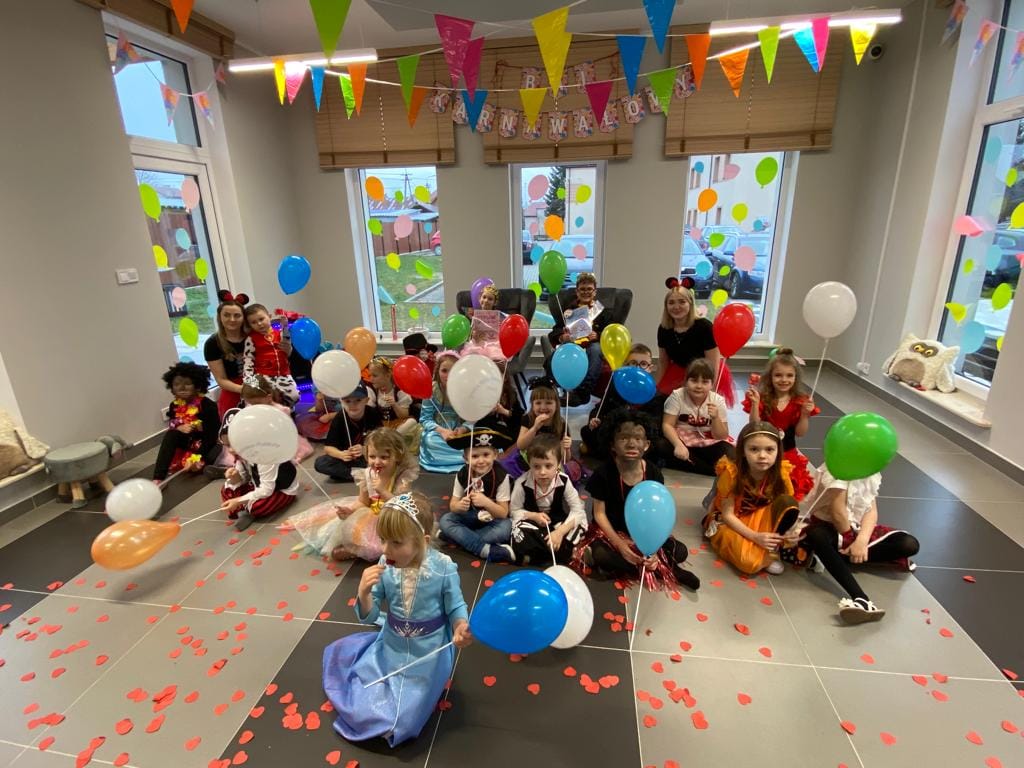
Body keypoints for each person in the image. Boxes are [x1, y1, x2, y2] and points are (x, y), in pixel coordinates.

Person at [322, 492, 471, 747]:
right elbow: (370, 614)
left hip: (429, 652)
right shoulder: (386, 564)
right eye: (383, 540)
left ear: (423, 542)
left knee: (403, 719)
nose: (385, 550)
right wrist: (364, 593)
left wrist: (460, 627)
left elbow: (455, 605)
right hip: (392, 646)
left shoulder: (443, 567)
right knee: (365, 691)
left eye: (396, 543)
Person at [573, 411, 700, 591]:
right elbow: (599, 514)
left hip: (643, 532)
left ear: (647, 445)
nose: (632, 443)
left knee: (680, 551)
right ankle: (664, 570)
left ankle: (645, 564)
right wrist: (620, 544)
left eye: (638, 439)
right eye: (624, 438)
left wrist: (653, 549)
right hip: (612, 533)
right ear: (612, 444)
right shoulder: (604, 473)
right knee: (602, 556)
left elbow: (656, 514)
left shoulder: (653, 473)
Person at [788, 466, 920, 624]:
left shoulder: (869, 470)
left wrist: (862, 541)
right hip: (830, 528)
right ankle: (861, 598)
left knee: (909, 544)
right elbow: (837, 513)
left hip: (855, 529)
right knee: (817, 535)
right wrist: (850, 540)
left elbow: (871, 511)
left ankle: (841, 558)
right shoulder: (836, 469)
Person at [291, 428, 419, 562]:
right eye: (372, 456)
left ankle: (363, 550)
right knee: (353, 531)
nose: (377, 462)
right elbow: (363, 502)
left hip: (394, 519)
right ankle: (360, 548)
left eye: (384, 457)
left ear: (397, 456)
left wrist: (383, 491)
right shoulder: (367, 474)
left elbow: (403, 506)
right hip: (373, 516)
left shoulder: (402, 477)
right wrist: (350, 511)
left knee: (395, 542)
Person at [703, 421, 800, 575]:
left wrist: (791, 530)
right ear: (743, 451)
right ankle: (767, 552)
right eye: (754, 449)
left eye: (769, 449)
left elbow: (786, 509)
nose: (762, 456)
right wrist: (755, 537)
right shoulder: (732, 473)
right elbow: (728, 515)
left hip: (763, 515)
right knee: (748, 562)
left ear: (778, 451)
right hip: (735, 518)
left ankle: (772, 547)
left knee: (788, 503)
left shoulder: (781, 473)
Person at [743, 348, 818, 499]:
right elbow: (754, 426)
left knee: (789, 486)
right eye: (778, 375)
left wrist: (804, 415)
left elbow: (800, 433)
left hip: (787, 452)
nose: (784, 380)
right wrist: (755, 404)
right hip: (764, 452)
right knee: (757, 486)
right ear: (770, 377)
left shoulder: (800, 401)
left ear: (796, 377)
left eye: (789, 375)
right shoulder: (763, 397)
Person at [508, 433, 586, 566]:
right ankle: (564, 553)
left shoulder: (564, 480)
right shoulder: (521, 483)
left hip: (557, 522)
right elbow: (514, 511)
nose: (542, 472)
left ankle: (536, 556)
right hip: (534, 524)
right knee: (518, 532)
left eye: (548, 466)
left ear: (558, 464)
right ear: (529, 464)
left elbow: (578, 510)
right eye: (536, 466)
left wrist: (559, 532)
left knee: (580, 525)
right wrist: (533, 515)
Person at [580, 343, 668, 460]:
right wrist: (595, 419)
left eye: (643, 364)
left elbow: (655, 425)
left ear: (650, 368)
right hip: (617, 432)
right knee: (587, 431)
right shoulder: (616, 386)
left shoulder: (655, 394)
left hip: (639, 437)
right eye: (633, 363)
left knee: (660, 446)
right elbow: (601, 408)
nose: (637, 369)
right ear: (626, 365)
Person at [439, 430, 515, 563]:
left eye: (486, 455)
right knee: (446, 520)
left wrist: (486, 502)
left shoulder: (501, 476)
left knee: (506, 527)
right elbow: (453, 506)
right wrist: (459, 506)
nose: (481, 461)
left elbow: (503, 513)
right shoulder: (462, 474)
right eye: (474, 456)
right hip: (470, 515)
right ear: (465, 458)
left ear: (495, 454)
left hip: (493, 519)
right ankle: (484, 549)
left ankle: (457, 538)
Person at [656, 278, 735, 406]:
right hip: (678, 371)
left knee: (698, 407)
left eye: (682, 302)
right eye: (671, 303)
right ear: (666, 307)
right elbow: (662, 361)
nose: (676, 307)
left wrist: (710, 392)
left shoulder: (704, 327)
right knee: (667, 404)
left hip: (704, 373)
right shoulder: (664, 329)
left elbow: (713, 363)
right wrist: (655, 388)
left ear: (690, 304)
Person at [218, 408, 299, 531]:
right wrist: (235, 477)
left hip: (279, 489)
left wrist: (238, 500)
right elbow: (245, 477)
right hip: (258, 484)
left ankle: (248, 510)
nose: (231, 450)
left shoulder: (265, 456)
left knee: (257, 507)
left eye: (234, 443)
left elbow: (267, 490)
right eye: (227, 445)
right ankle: (245, 507)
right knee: (226, 490)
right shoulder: (241, 453)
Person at [548, 272, 615, 406]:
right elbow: (554, 331)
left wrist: (598, 335)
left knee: (595, 350)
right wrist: (562, 336)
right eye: (582, 289)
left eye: (589, 289)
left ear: (595, 292)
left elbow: (612, 332)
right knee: (553, 357)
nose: (586, 292)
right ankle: (552, 391)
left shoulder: (603, 311)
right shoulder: (568, 311)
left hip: (593, 345)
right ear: (577, 292)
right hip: (572, 345)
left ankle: (582, 393)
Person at [661, 358, 734, 475]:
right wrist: (678, 445)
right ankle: (709, 470)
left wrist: (715, 418)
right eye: (694, 381)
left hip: (708, 441)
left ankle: (695, 466)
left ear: (711, 384)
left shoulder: (718, 401)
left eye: (705, 382)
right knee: (662, 446)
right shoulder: (677, 396)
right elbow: (667, 425)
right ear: (686, 381)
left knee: (729, 452)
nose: (699, 386)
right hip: (683, 440)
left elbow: (721, 435)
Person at [153, 361, 221, 483]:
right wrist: (178, 427)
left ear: (198, 386)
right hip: (188, 443)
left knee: (215, 454)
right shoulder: (174, 405)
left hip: (207, 444)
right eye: (176, 384)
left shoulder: (208, 406)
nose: (181, 388)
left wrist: (196, 457)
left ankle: (213, 467)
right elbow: (173, 424)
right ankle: (158, 477)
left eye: (187, 384)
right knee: (171, 434)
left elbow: (211, 438)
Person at [500, 378, 573, 480]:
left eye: (548, 403)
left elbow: (565, 459)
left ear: (556, 405)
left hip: (549, 462)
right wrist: (534, 428)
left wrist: (567, 448)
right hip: (528, 461)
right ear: (532, 405)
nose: (543, 407)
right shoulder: (528, 419)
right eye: (538, 403)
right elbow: (521, 445)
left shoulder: (561, 424)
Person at [314, 383, 383, 483]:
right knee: (320, 463)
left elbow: (383, 442)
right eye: (347, 401)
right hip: (346, 459)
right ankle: (364, 474)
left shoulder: (372, 414)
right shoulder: (339, 418)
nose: (352, 405)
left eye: (358, 400)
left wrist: (366, 449)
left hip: (368, 457)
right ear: (342, 402)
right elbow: (328, 448)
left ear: (366, 400)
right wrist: (341, 454)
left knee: (388, 458)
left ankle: (358, 473)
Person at [240, 375, 313, 463]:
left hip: (280, 440)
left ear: (268, 397)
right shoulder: (250, 409)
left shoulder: (280, 411)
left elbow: (288, 431)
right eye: (250, 403)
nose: (253, 407)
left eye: (257, 403)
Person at [418, 351, 468, 473]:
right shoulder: (431, 389)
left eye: (453, 371)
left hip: (459, 431)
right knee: (430, 441)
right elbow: (425, 419)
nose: (448, 375)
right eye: (444, 371)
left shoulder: (466, 390)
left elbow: (472, 418)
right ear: (438, 371)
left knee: (473, 441)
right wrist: (442, 431)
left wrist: (463, 429)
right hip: (437, 431)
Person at [242, 303, 299, 406]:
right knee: (267, 398)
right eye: (254, 322)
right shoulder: (251, 339)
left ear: (269, 316)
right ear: (250, 325)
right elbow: (248, 359)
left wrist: (285, 327)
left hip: (283, 374)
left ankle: (286, 410)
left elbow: (287, 341)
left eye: (261, 319)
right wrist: (249, 379)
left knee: (294, 396)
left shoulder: (279, 334)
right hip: (264, 376)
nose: (259, 324)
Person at [204, 290, 249, 419]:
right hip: (232, 391)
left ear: (243, 317)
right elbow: (221, 380)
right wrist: (244, 390)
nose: (232, 319)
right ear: (220, 317)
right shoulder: (212, 343)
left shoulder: (252, 337)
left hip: (256, 384)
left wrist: (256, 388)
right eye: (227, 315)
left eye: (237, 315)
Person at [366, 356, 422, 452]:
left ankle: (389, 440)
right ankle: (388, 441)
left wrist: (394, 404)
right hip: (380, 425)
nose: (371, 379)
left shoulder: (399, 390)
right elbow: (369, 414)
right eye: (370, 375)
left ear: (388, 375)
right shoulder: (372, 390)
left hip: (397, 424)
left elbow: (403, 415)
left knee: (411, 422)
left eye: (375, 376)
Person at [462, 285, 505, 361]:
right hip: (478, 343)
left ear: (495, 302)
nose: (486, 301)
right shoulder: (474, 315)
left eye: (490, 299)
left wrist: (499, 329)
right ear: (480, 299)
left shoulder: (500, 317)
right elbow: (470, 336)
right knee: (473, 355)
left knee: (495, 357)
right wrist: (473, 335)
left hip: (493, 344)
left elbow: (503, 334)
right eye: (484, 297)